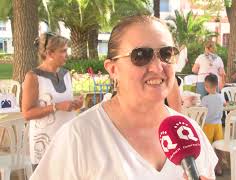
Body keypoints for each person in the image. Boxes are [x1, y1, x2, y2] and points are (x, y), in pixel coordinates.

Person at [30, 15, 218, 180]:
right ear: (113, 69)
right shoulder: (79, 137)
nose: (157, 66)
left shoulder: (191, 133)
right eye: (141, 55)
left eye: (166, 53)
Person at [22, 32, 83, 169]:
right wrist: (56, 107)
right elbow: (27, 114)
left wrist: (75, 104)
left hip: (67, 142)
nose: (67, 54)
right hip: (44, 146)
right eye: (63, 51)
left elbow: (64, 104)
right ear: (49, 53)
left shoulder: (66, 74)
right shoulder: (33, 77)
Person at [201, 74, 225, 176]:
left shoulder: (204, 99)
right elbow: (225, 104)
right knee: (219, 147)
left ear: (206, 87)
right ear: (217, 85)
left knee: (207, 147)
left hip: (208, 125)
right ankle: (219, 167)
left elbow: (202, 111)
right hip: (218, 125)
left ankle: (208, 168)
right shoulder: (221, 97)